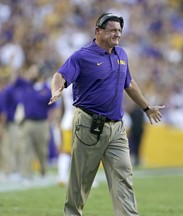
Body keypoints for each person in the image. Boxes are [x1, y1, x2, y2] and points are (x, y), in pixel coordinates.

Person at [48, 12, 165, 216]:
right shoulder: (82, 56)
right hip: (88, 125)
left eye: (119, 30)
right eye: (112, 30)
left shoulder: (122, 54)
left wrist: (147, 107)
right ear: (98, 31)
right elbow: (60, 75)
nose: (117, 34)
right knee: (81, 182)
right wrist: (57, 89)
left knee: (124, 177)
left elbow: (129, 83)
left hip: (117, 128)